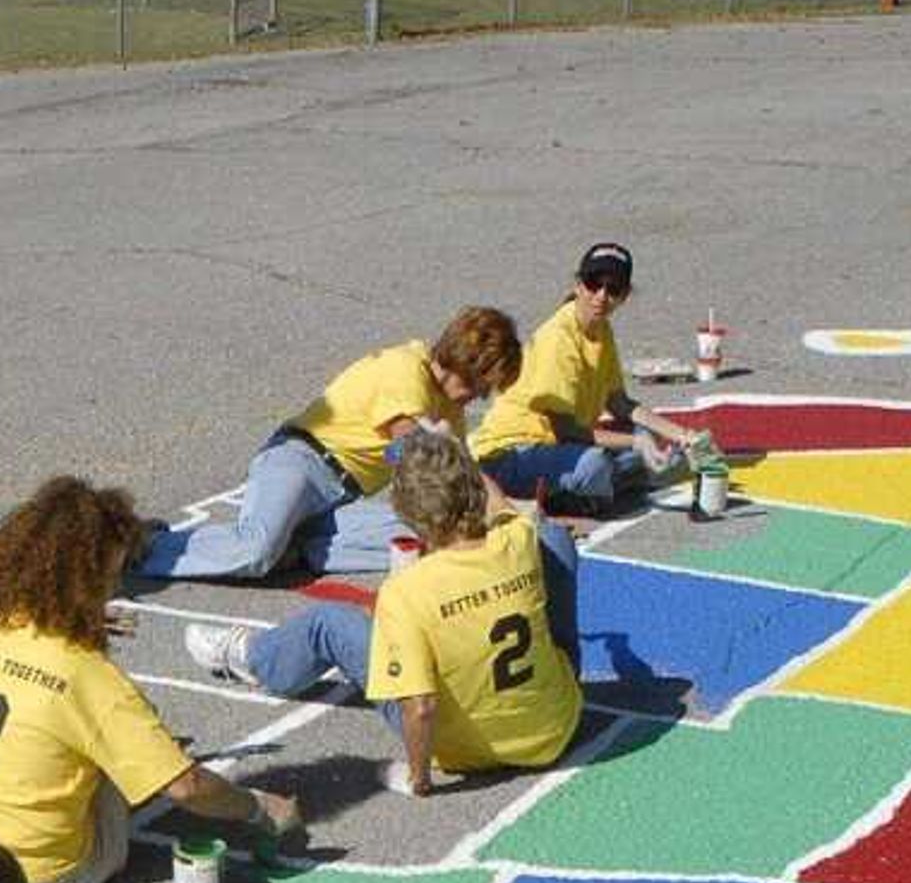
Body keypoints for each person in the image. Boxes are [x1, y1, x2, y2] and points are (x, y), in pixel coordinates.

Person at [0, 475, 303, 883]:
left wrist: (78, 620)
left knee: (51, 730)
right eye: (110, 575)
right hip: (39, 878)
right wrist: (260, 809)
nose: (115, 587)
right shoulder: (87, 676)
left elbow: (23, 670)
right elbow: (187, 787)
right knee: (122, 748)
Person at [187, 428, 586, 800]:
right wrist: (458, 455)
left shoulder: (407, 591)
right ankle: (567, 673)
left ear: (411, 516)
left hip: (465, 750)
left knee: (330, 624)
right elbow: (499, 503)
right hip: (552, 729)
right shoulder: (516, 540)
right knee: (553, 539)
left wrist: (419, 777)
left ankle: (254, 658)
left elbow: (421, 706)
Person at [136, 306, 523, 584]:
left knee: (434, 539)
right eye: (480, 385)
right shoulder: (405, 370)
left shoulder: (448, 406)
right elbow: (410, 450)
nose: (479, 397)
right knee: (255, 551)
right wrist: (447, 465)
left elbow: (465, 472)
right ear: (463, 360)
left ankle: (296, 545)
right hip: (302, 462)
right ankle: (142, 544)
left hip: (340, 495)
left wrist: (509, 516)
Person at [473, 240, 663, 512]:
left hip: (557, 448)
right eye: (593, 283)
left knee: (649, 443)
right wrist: (637, 443)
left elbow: (619, 403)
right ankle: (568, 495)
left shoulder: (601, 329)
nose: (601, 295)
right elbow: (566, 431)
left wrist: (682, 435)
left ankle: (594, 487)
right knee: (596, 463)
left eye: (613, 289)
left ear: (624, 295)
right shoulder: (559, 339)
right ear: (578, 284)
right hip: (513, 452)